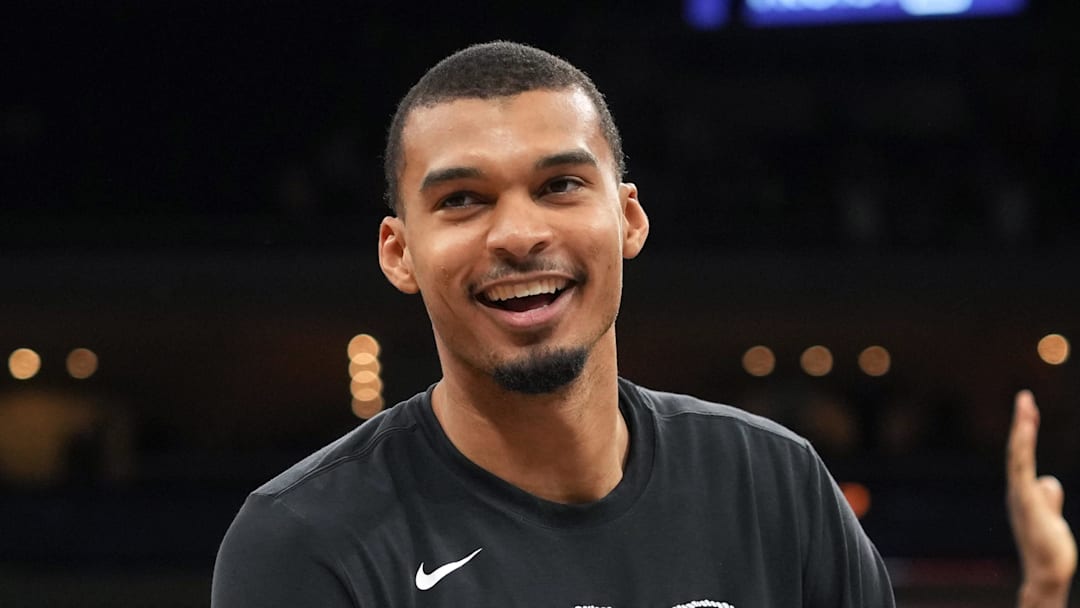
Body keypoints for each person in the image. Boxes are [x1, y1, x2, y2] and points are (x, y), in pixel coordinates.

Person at [210, 41, 898, 606]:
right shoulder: (304, 540)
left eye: (559, 185)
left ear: (627, 218)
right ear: (399, 252)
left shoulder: (775, 483)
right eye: (462, 199)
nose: (516, 233)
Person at [1007, 390, 1076, 608]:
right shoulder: (1043, 547)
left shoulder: (1053, 547)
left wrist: (1025, 427)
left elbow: (1020, 474)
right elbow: (1019, 479)